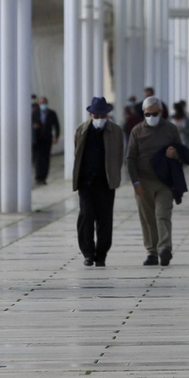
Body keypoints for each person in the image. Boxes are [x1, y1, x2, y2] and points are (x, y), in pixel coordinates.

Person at [127, 94, 186, 266]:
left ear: (160, 112)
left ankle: (165, 248)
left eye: (154, 113)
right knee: (147, 218)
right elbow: (130, 158)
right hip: (143, 182)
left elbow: (182, 151)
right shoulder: (137, 131)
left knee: (162, 215)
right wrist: (135, 182)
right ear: (143, 113)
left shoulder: (170, 129)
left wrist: (175, 154)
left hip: (164, 182)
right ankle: (151, 251)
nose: (151, 117)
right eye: (147, 114)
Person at [73, 96, 123, 266]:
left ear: (107, 116)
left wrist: (114, 174)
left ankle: (101, 254)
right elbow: (77, 153)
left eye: (102, 117)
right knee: (86, 215)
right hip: (86, 182)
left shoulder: (115, 131)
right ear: (90, 115)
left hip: (106, 183)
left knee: (104, 219)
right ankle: (87, 252)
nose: (99, 120)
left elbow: (119, 155)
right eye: (96, 116)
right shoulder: (81, 130)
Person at [33, 96, 62, 184]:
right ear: (39, 104)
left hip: (47, 139)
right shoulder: (35, 113)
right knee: (38, 159)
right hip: (37, 139)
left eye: (44, 103)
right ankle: (38, 177)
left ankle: (43, 177)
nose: (43, 105)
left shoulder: (52, 113)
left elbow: (56, 126)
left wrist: (56, 137)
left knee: (46, 158)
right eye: (41, 103)